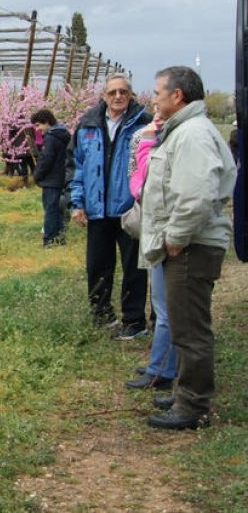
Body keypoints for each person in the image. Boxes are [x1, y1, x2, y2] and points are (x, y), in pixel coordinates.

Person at [139, 66, 235, 430]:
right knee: (182, 325)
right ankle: (186, 392)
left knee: (191, 329)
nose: (155, 99)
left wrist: (175, 238)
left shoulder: (192, 134)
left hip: (191, 246)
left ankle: (192, 407)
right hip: (188, 244)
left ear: (177, 96)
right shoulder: (184, 131)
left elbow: (195, 197)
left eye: (158, 92)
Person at [66, 73, 151, 338]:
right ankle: (101, 315)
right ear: (103, 95)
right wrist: (76, 203)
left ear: (131, 95)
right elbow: (76, 167)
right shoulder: (87, 125)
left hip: (129, 209)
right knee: (97, 266)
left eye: (123, 92)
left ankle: (134, 321)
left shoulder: (143, 124)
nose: (117, 97)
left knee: (134, 269)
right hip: (97, 209)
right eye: (112, 92)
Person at [123, 110, 176, 392]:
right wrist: (145, 144)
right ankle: (161, 365)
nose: (156, 112)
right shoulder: (144, 138)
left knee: (169, 310)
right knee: (162, 305)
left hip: (170, 233)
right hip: (156, 228)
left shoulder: (182, 138)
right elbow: (138, 180)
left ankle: (162, 370)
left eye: (159, 99)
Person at [31, 110, 71, 246]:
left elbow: (45, 159)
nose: (37, 129)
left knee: (50, 210)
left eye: (38, 125)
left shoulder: (51, 137)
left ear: (46, 122)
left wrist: (37, 176)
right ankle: (59, 237)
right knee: (57, 209)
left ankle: (48, 239)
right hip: (60, 178)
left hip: (51, 179)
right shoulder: (62, 134)